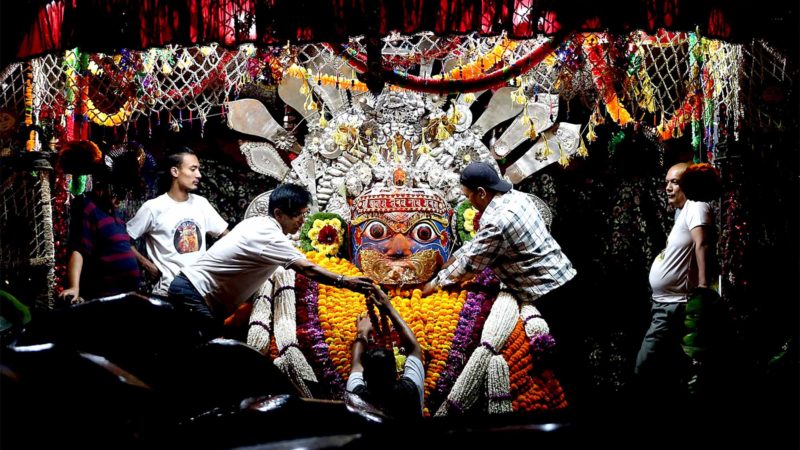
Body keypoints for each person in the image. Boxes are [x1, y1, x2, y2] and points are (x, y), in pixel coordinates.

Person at [168, 183, 379, 337]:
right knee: (207, 356)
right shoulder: (269, 235)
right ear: (278, 213)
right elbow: (308, 269)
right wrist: (345, 281)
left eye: (304, 214)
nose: (302, 221)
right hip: (194, 293)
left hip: (190, 288)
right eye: (297, 215)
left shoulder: (258, 224)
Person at [635, 162, 719, 403]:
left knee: (645, 365)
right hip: (665, 304)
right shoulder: (683, 210)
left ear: (689, 185)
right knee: (671, 371)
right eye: (667, 182)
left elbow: (702, 244)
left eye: (675, 182)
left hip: (675, 304)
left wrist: (703, 287)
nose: (668, 188)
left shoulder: (697, 207)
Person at [127, 148, 228, 296]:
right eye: (193, 169)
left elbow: (226, 236)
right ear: (175, 172)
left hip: (201, 291)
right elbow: (123, 239)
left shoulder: (201, 204)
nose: (198, 175)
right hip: (168, 292)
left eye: (198, 169)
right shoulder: (153, 207)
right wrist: (146, 264)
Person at [59, 164, 140, 304]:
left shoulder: (115, 215)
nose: (120, 198)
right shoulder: (89, 208)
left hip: (127, 295)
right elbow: (79, 250)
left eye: (123, 193)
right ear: (102, 189)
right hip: (105, 297)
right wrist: (74, 287)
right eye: (116, 193)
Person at [347, 288, 425, 419]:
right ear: (396, 373)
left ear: (365, 376)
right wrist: (389, 309)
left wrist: (362, 331)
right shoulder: (411, 390)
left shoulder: (356, 394)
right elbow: (414, 348)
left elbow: (356, 364)